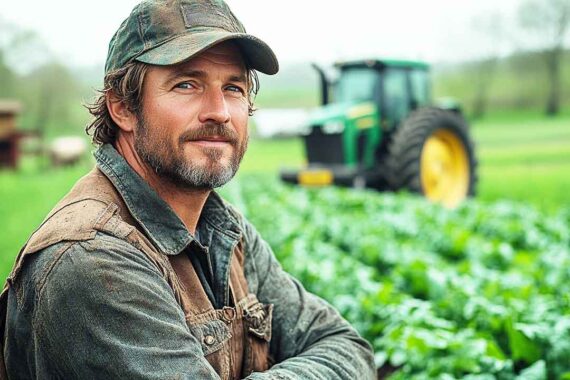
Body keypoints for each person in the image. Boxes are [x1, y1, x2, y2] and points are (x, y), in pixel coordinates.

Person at [0, 0, 375, 378]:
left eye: (233, 87)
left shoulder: (226, 232)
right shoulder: (92, 260)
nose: (219, 111)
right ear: (123, 108)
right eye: (187, 84)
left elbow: (348, 347)